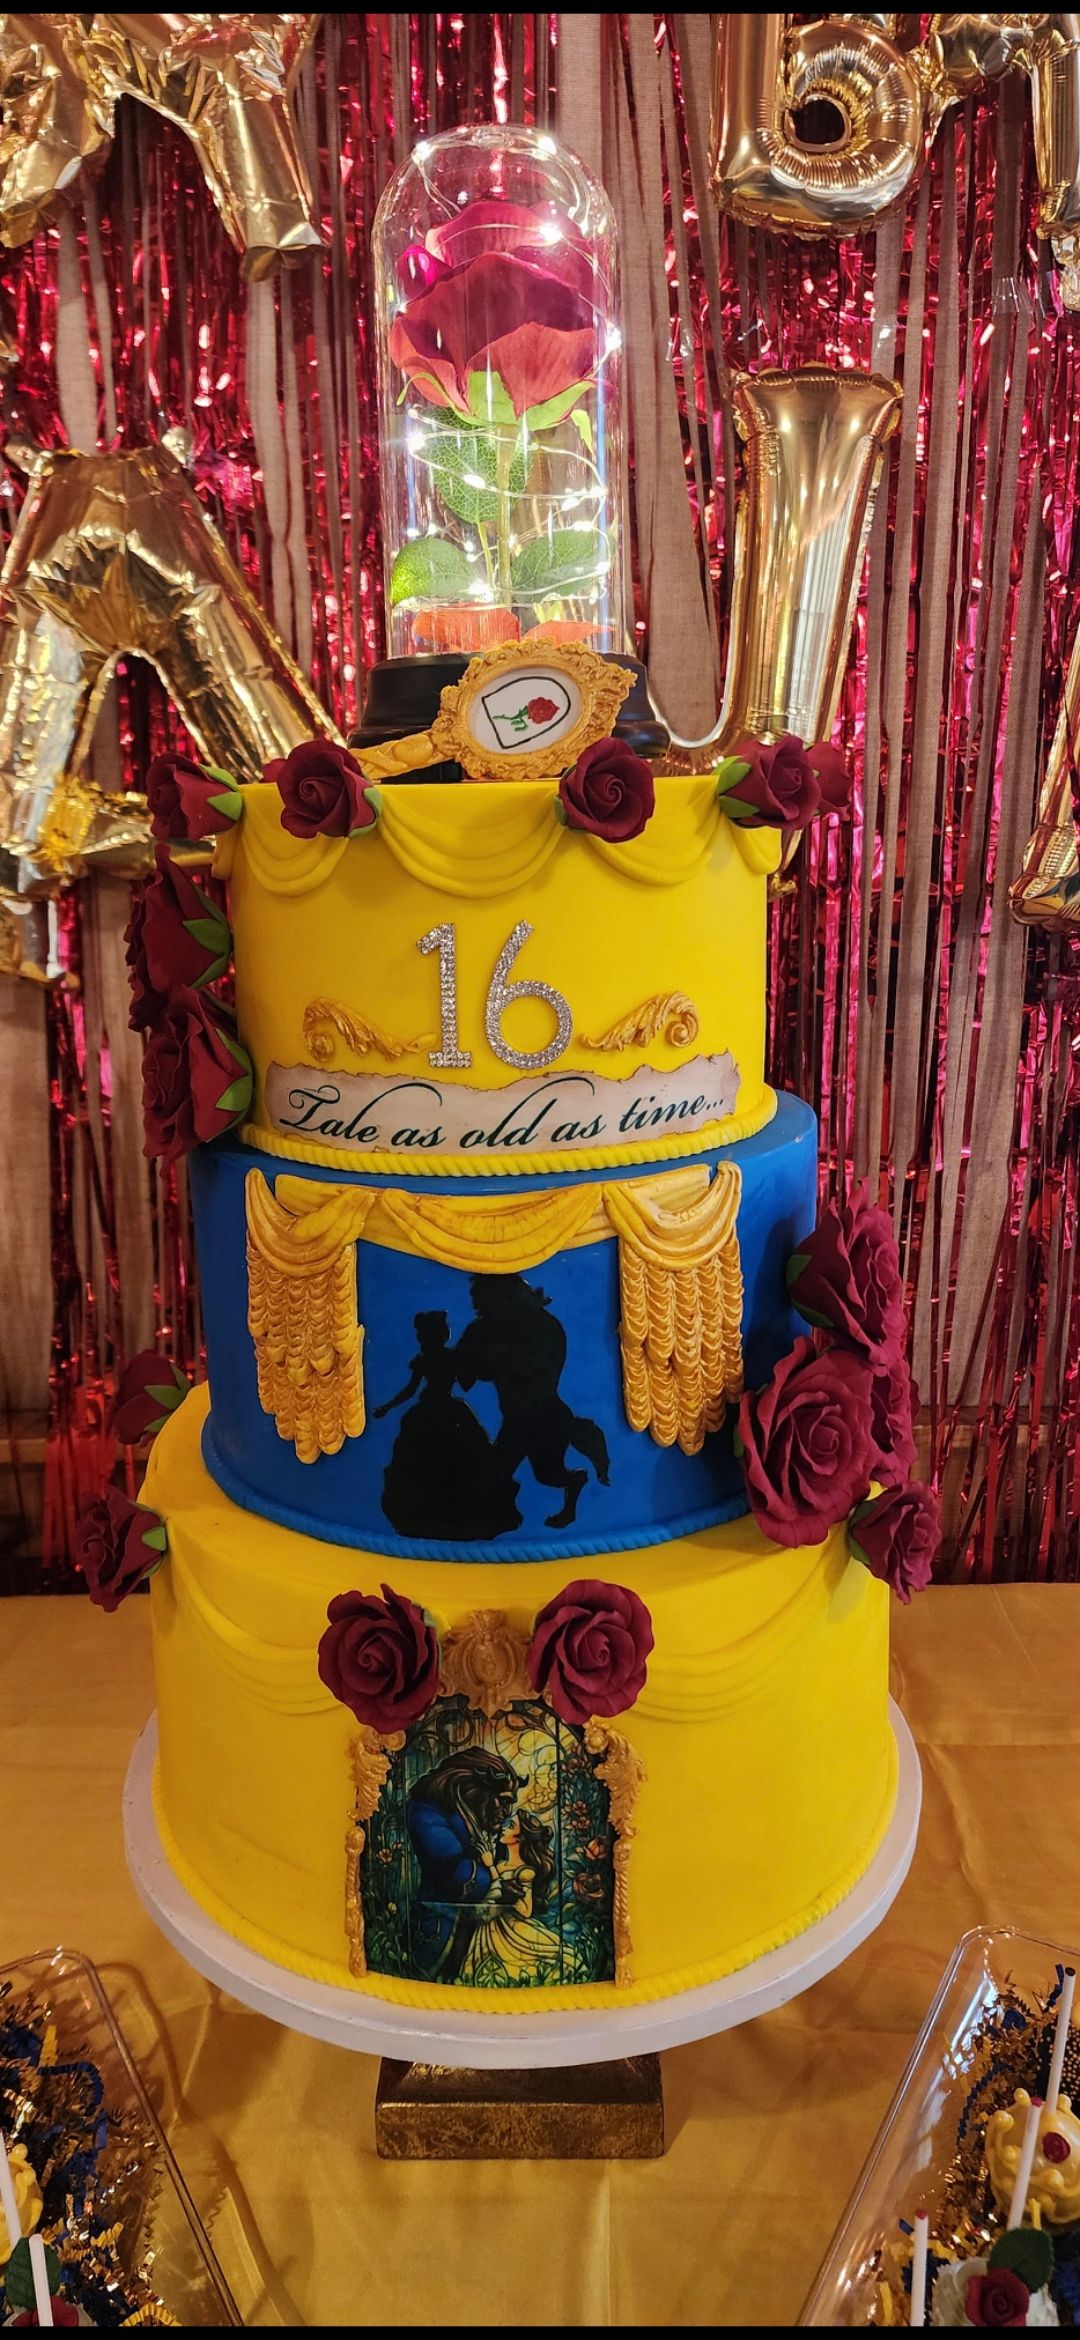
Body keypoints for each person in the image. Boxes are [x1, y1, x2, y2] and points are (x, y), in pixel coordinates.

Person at [453, 1274, 610, 1529]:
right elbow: (467, 1372)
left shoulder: (542, 1327)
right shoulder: (486, 1329)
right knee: (498, 1471)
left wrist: (494, 1359)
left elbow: (530, 1370)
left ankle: (572, 1487)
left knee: (546, 1474)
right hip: (517, 1418)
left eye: (480, 1296)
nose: (475, 1302)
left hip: (543, 1417)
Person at [375, 1309, 520, 1539]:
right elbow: (415, 1389)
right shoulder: (430, 1361)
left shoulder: (437, 1360)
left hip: (438, 1413)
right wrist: (388, 1406)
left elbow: (461, 1381)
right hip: (442, 1413)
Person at [405, 1748, 525, 1983]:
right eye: (504, 1801)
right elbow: (459, 1876)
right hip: (439, 1930)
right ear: (479, 1791)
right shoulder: (426, 1812)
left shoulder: (476, 1818)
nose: (507, 1812)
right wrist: (495, 1881)